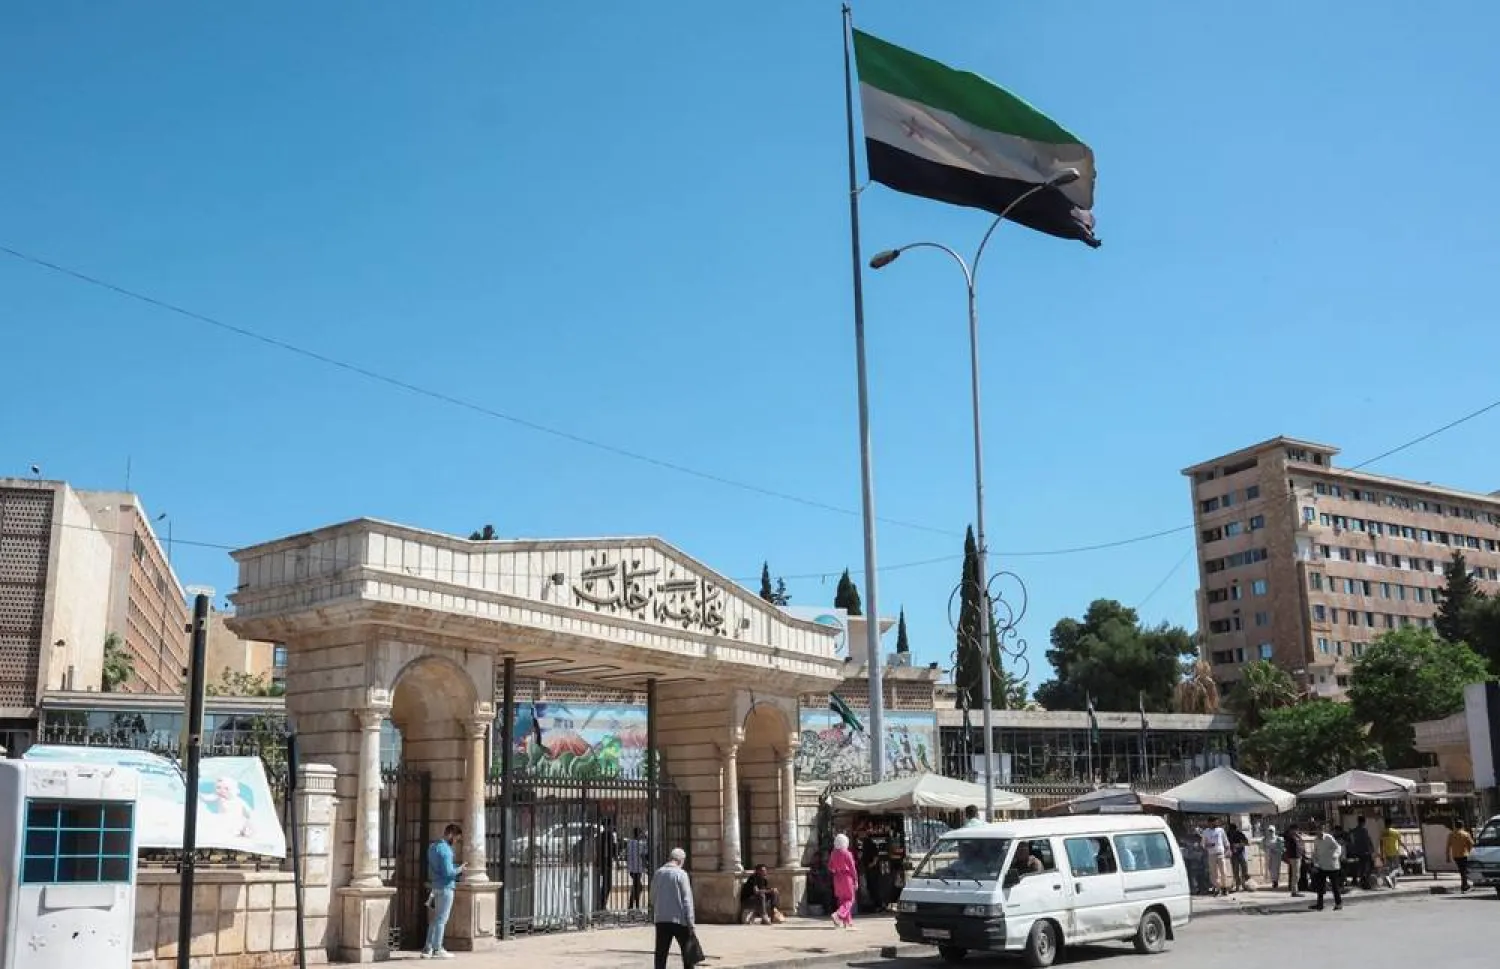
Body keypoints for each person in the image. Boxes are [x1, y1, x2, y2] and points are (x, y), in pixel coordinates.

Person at [422, 824, 465, 959]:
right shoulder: (446, 850)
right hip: (446, 887)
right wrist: (460, 869)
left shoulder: (432, 847)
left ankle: (428, 948)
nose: (455, 842)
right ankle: (437, 948)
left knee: (435, 919)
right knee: (442, 919)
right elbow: (448, 872)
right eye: (456, 839)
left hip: (435, 885)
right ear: (450, 834)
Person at [651, 847, 695, 969]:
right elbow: (687, 900)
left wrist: (658, 908)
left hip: (661, 919)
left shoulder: (658, 873)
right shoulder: (681, 874)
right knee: (687, 953)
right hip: (679, 920)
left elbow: (652, 896)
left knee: (661, 953)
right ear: (680, 860)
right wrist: (691, 922)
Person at [1309, 821, 1343, 912]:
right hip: (1322, 865)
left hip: (1332, 865)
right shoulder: (1316, 840)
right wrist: (1315, 863)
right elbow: (1315, 852)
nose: (1319, 831)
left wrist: (1335, 855)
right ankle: (1320, 904)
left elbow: (1338, 847)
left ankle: (1338, 903)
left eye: (1321, 829)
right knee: (1320, 886)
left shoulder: (1329, 838)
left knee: (1334, 886)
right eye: (1317, 829)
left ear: (1323, 830)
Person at [828, 833, 858, 929]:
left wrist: (837, 869)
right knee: (850, 899)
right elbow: (852, 868)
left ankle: (847, 921)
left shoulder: (833, 853)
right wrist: (855, 880)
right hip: (846, 877)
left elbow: (830, 867)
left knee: (842, 900)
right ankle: (838, 914)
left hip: (837, 877)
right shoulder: (847, 853)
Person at [1201, 818, 1230, 896]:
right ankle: (1217, 888)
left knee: (1224, 872)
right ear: (1209, 823)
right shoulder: (1205, 832)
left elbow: (1226, 841)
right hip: (1211, 854)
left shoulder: (1220, 830)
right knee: (1214, 873)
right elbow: (1203, 844)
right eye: (1213, 822)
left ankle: (1224, 887)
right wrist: (1208, 845)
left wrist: (1228, 849)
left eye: (1215, 822)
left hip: (1220, 853)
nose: (1214, 823)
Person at [596, 818, 619, 911]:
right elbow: (614, 850)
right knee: (607, 885)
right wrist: (617, 861)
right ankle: (602, 904)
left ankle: (602, 903)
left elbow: (598, 849)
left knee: (604, 884)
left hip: (602, 862)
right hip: (607, 863)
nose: (612, 827)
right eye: (610, 825)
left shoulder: (600, 836)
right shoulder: (611, 835)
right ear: (608, 826)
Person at [1447, 821, 1475, 893]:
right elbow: (1472, 844)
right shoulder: (1465, 834)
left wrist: (1447, 856)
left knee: (1462, 870)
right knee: (1464, 871)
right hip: (1464, 855)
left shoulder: (1451, 834)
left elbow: (1448, 846)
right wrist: (1471, 852)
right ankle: (1464, 886)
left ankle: (1465, 885)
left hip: (1455, 855)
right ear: (1462, 826)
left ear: (1455, 826)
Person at [1349, 816, 1374, 889]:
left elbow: (1352, 841)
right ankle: (1364, 881)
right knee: (1368, 866)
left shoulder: (1354, 831)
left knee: (1359, 867)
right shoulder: (1364, 830)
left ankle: (1359, 880)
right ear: (1364, 822)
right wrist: (1371, 849)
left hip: (1357, 852)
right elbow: (1367, 840)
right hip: (1364, 852)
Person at [627, 827, 648, 911]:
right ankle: (635, 905)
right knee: (638, 887)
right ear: (639, 834)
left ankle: (632, 905)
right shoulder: (641, 844)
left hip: (631, 868)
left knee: (636, 886)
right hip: (638, 868)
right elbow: (644, 854)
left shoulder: (630, 843)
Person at [1379, 823, 1405, 889]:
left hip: (1387, 853)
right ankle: (1390, 879)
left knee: (1390, 868)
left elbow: (1381, 844)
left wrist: (1382, 854)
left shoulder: (1383, 833)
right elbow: (1400, 842)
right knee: (1396, 868)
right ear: (1391, 824)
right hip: (1395, 852)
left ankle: (1392, 883)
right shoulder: (1395, 832)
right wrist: (1406, 849)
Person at [1227, 822, 1249, 891]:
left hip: (1241, 853)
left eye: (1232, 830)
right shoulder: (1228, 835)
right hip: (1233, 854)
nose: (1231, 832)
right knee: (1235, 870)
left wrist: (1238, 845)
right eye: (1231, 830)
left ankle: (1244, 884)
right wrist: (1231, 847)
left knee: (1244, 869)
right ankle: (1238, 884)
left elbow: (1246, 842)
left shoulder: (1239, 834)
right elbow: (1226, 843)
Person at [1283, 825, 1304, 897]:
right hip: (1294, 857)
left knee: (1296, 875)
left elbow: (1301, 843)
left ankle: (1295, 890)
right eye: (1296, 830)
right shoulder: (1290, 837)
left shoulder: (1293, 837)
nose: (1297, 831)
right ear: (1292, 830)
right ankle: (1294, 891)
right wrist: (1298, 837)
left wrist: (1298, 836)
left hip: (1297, 857)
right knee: (1296, 875)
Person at [1263, 825, 1283, 890]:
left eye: (1271, 831)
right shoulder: (1265, 839)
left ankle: (1275, 881)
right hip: (1268, 855)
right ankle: (1273, 880)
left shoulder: (1278, 839)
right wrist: (1267, 849)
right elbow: (1262, 846)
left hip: (1276, 856)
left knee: (1275, 869)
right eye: (1269, 831)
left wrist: (1276, 850)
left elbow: (1281, 848)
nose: (1270, 832)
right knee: (1270, 868)